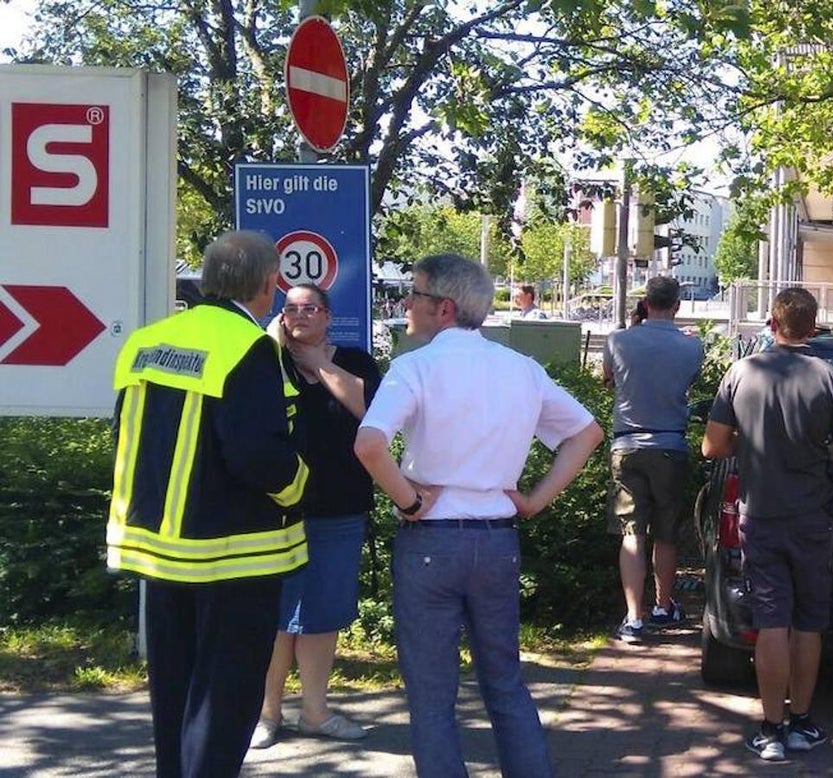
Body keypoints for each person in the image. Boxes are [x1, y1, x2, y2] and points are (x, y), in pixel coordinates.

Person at [354, 254, 603, 777]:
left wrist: (409, 500)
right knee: (504, 682)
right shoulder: (520, 368)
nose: (407, 304)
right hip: (496, 540)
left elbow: (370, 444)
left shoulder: (413, 367)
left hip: (431, 543)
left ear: (442, 308)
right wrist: (536, 498)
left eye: (415, 295)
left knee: (431, 696)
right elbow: (587, 433)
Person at [106, 230, 310, 778]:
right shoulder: (248, 347)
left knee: (173, 693)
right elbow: (256, 454)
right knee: (224, 701)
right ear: (269, 284)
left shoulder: (149, 340)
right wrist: (299, 486)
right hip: (233, 555)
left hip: (157, 550)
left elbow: (124, 433)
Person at [701, 287, 833, 762]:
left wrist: (746, 447)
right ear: (813, 325)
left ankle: (769, 728)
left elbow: (712, 446)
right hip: (812, 516)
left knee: (772, 622)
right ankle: (802, 722)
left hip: (760, 515)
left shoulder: (742, 372)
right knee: (809, 623)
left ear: (773, 323)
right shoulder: (829, 378)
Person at [251, 284, 382, 748]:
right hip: (276, 511)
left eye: (310, 308)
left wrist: (320, 365)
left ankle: (315, 712)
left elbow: (369, 411)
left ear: (328, 316)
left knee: (321, 615)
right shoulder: (267, 360)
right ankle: (266, 714)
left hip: (340, 509)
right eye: (291, 308)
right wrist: (276, 344)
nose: (300, 315)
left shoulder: (356, 360)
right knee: (276, 616)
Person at [603, 276, 704, 643]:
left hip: (626, 444)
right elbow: (687, 384)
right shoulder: (692, 347)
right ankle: (663, 607)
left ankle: (633, 618)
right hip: (670, 446)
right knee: (666, 533)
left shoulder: (617, 340)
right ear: (677, 305)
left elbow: (608, 379)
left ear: (645, 303)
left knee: (632, 533)